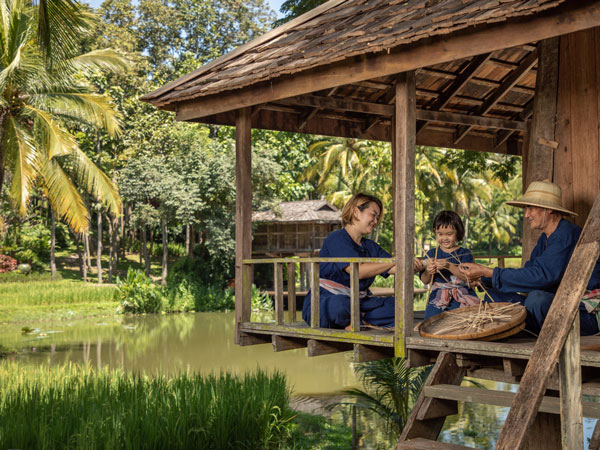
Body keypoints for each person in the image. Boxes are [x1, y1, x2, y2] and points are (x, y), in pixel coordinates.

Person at [460, 179, 586, 332]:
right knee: (494, 296)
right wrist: (483, 278)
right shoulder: (544, 238)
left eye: (530, 208)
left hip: (579, 312)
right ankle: (520, 329)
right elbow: (528, 274)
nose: (526, 215)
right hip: (555, 304)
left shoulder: (565, 234)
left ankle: (521, 331)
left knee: (536, 300)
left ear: (549, 210)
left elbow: (541, 277)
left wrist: (488, 271)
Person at [301, 193, 423, 329]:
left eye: (377, 217)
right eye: (373, 215)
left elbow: (395, 267)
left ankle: (359, 320)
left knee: (400, 306)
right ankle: (361, 319)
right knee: (340, 306)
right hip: (328, 300)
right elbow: (358, 272)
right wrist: (399, 260)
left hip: (360, 302)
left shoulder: (370, 246)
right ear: (356, 212)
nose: (376, 221)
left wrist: (417, 264)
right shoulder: (336, 238)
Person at [421, 210, 480, 320]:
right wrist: (429, 271)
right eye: (440, 234)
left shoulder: (464, 253)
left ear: (458, 232)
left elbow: (467, 277)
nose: (444, 238)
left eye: (449, 234)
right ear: (435, 232)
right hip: (438, 297)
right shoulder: (432, 254)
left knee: (469, 319)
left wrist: (449, 266)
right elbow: (425, 280)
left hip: (463, 293)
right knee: (431, 320)